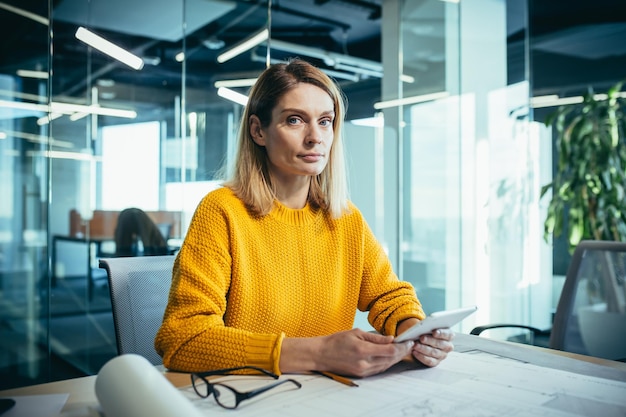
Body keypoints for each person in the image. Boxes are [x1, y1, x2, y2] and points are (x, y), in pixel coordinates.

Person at [154, 58, 454, 378]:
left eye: (325, 121)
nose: (315, 137)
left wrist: (415, 333)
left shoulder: (345, 218)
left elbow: (390, 297)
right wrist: (320, 353)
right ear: (258, 131)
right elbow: (183, 338)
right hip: (248, 399)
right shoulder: (222, 211)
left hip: (328, 398)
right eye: (295, 120)